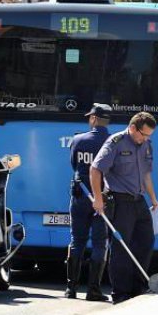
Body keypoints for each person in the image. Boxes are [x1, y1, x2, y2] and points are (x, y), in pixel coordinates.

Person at [90, 112, 158, 304]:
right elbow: (95, 169)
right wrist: (98, 198)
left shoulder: (146, 144)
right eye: (143, 134)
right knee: (121, 248)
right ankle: (121, 293)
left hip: (139, 200)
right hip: (120, 201)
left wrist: (153, 200)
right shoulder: (116, 142)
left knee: (146, 241)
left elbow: (146, 174)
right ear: (132, 128)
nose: (145, 139)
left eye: (148, 136)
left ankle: (138, 288)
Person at [66, 103, 113, 301]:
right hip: (102, 199)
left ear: (93, 119)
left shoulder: (78, 140)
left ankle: (71, 289)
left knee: (77, 242)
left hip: (80, 196)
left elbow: (74, 165)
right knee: (100, 243)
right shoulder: (113, 142)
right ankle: (93, 290)